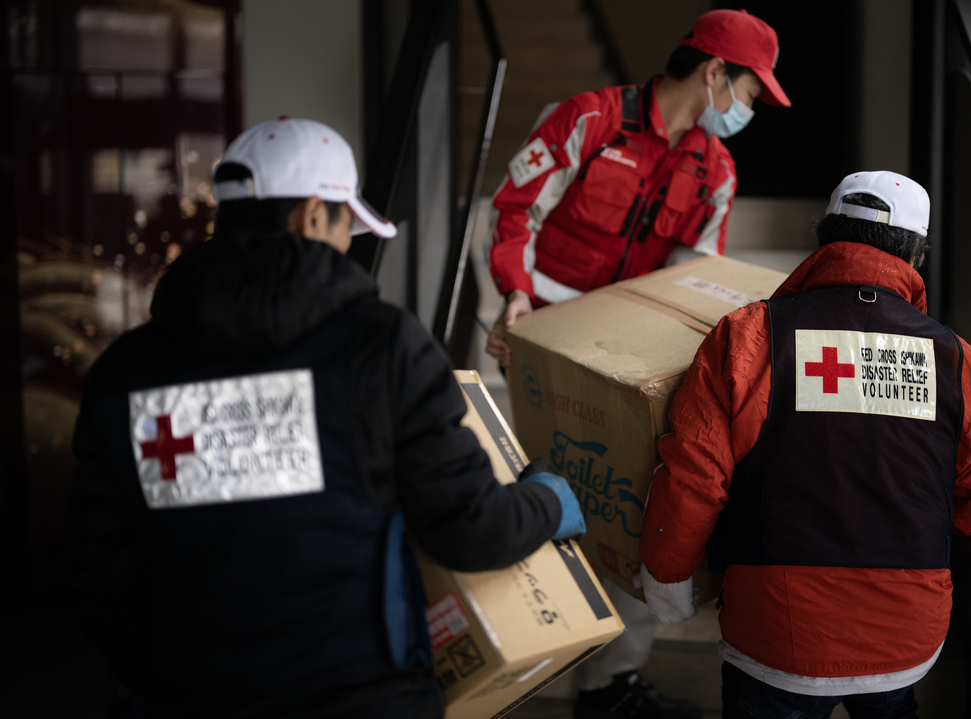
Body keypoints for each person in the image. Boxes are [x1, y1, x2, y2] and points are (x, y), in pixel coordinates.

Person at [68, 117, 585, 719]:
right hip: (362, 698)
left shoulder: (125, 371)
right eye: (348, 226)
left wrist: (164, 676)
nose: (348, 244)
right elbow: (470, 529)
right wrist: (547, 502)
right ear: (314, 217)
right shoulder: (382, 346)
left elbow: (99, 569)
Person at [484, 9, 791, 719]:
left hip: (622, 361)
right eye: (749, 94)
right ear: (716, 72)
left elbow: (694, 278)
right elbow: (517, 209)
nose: (747, 111)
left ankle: (609, 683)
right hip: (537, 333)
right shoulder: (589, 119)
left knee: (635, 515)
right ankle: (505, 652)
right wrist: (514, 300)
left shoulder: (716, 169)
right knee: (527, 496)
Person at [637, 171, 971, 719]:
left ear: (826, 238)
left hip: (777, 632)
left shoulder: (749, 335)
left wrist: (667, 577)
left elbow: (694, 474)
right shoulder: (963, 363)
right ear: (915, 253)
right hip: (908, 631)